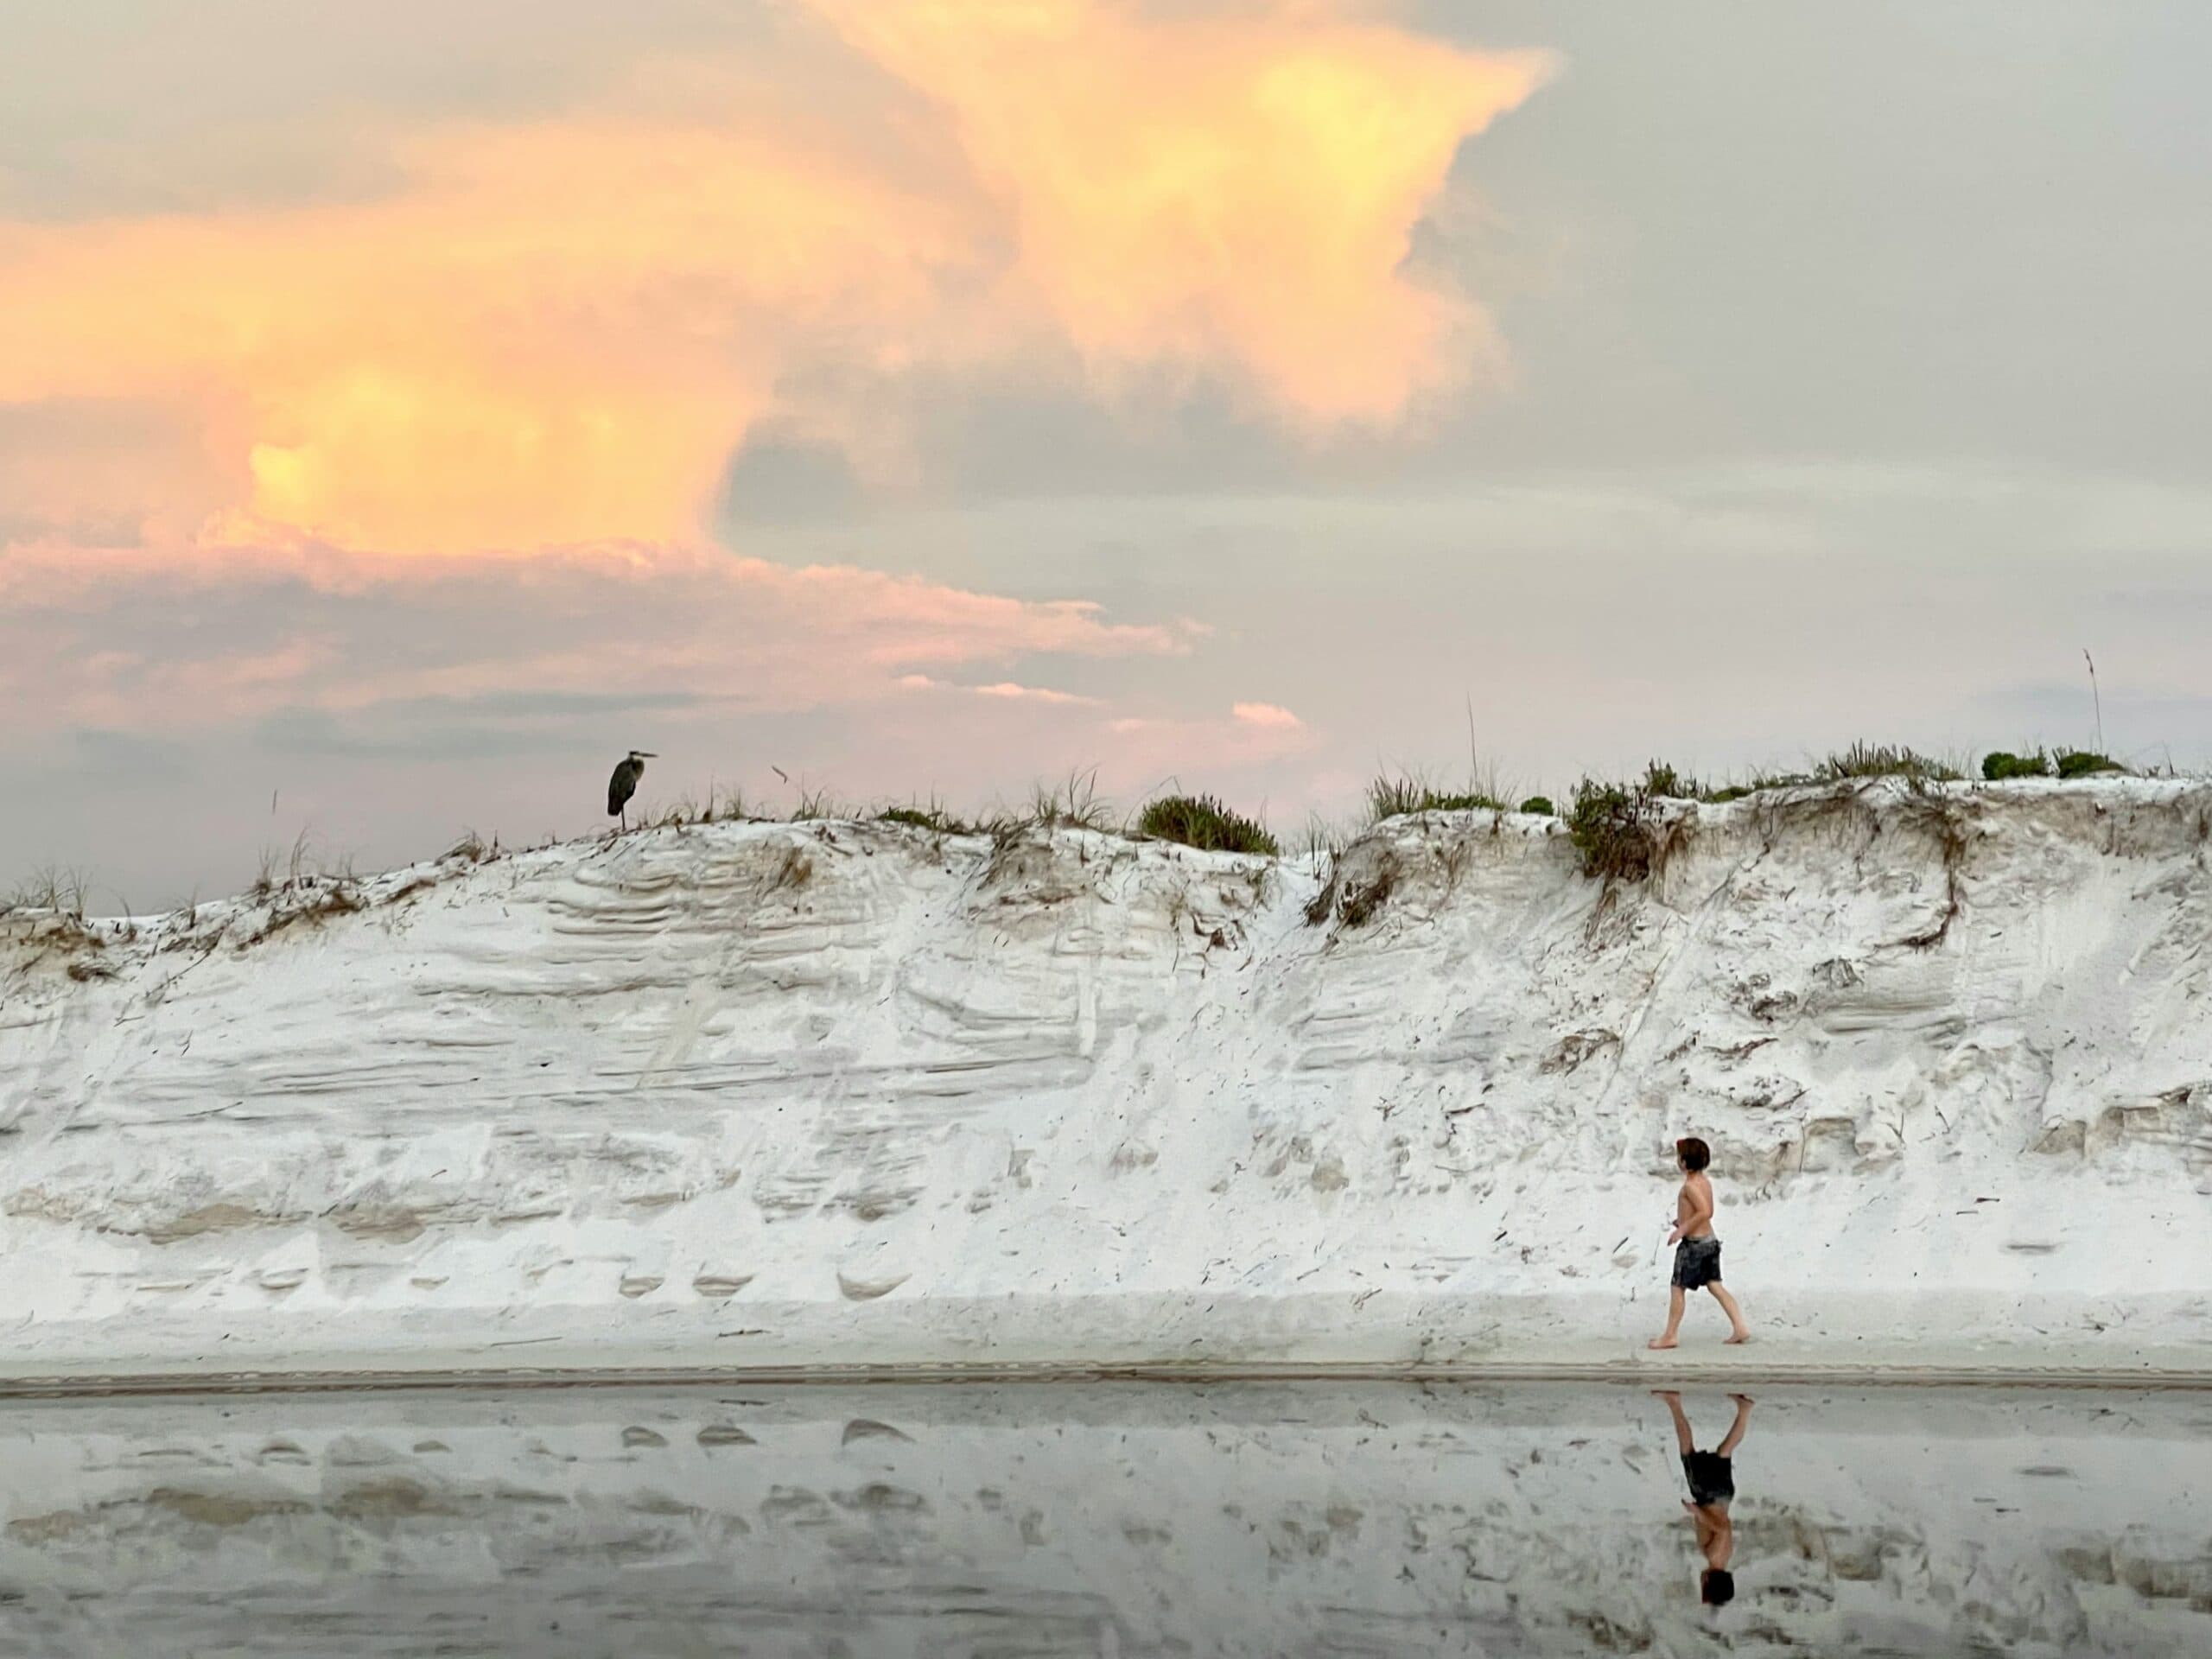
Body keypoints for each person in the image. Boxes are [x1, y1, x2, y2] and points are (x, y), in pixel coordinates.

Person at [1648, 1135, 1751, 1349]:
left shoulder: (1690, 1187)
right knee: (1715, 1286)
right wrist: (1683, 1221)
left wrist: (1683, 1229)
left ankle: (1670, 1335)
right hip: (1710, 1242)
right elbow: (1700, 1211)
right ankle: (1740, 1327)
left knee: (1677, 1287)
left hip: (1694, 1246)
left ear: (1684, 1163)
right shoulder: (1704, 1182)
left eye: (1678, 1157)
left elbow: (1706, 1211)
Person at [1655, 1390, 1752, 1606]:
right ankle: (1674, 1404)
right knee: (1688, 1452)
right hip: (1709, 1496)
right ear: (1708, 1582)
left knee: (1724, 1452)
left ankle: (1744, 1411)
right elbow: (1723, 1528)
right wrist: (1696, 1511)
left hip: (1722, 1496)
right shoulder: (1714, 1556)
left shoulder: (1725, 1557)